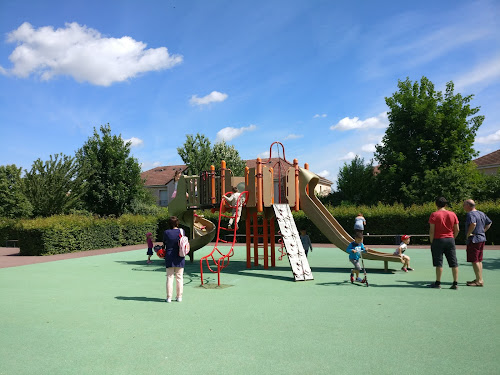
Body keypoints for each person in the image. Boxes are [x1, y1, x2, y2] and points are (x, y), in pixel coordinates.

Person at [428, 197, 459, 289]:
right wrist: (453, 237)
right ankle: (455, 283)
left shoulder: (434, 214)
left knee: (438, 262)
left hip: (438, 240)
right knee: (453, 262)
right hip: (450, 239)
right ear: (446, 204)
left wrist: (431, 241)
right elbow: (457, 229)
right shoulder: (452, 214)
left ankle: (438, 283)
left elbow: (432, 231)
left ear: (436, 204)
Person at [463, 199, 492, 287]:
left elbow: (473, 223)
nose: (463, 206)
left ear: (468, 205)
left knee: (475, 260)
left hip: (474, 239)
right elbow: (489, 222)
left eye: (464, 204)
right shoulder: (481, 213)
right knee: (479, 259)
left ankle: (479, 281)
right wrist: (483, 231)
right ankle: (479, 279)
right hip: (481, 239)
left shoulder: (470, 214)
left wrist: (468, 234)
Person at [163, 216, 185, 302]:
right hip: (180, 255)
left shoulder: (166, 232)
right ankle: (179, 297)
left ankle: (169, 297)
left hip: (169, 255)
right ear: (177, 223)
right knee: (179, 277)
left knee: (169, 277)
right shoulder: (181, 231)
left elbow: (164, 243)